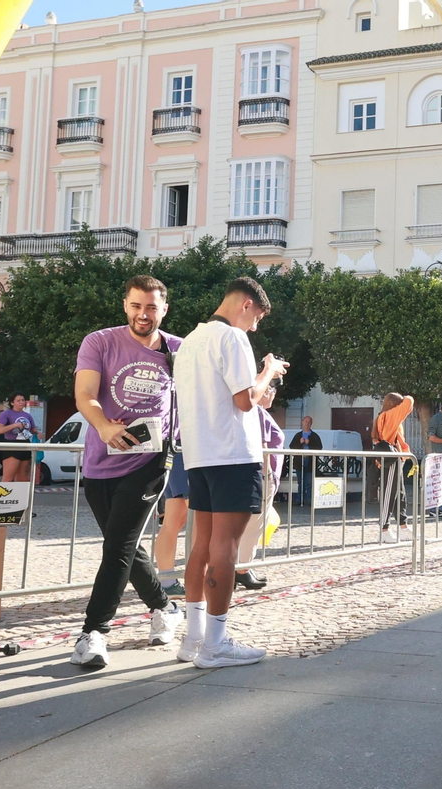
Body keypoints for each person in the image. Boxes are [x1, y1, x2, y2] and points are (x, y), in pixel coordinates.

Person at [68, 275, 184, 669]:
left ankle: (94, 632)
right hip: (102, 462)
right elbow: (85, 395)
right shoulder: (99, 342)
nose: (143, 314)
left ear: (163, 309)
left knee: (116, 546)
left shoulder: (178, 350)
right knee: (126, 544)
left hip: (150, 463)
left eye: (151, 307)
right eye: (136, 306)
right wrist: (104, 427)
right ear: (125, 306)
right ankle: (164, 608)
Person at [173, 277, 287, 668]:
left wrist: (259, 383)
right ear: (246, 305)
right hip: (232, 454)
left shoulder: (190, 340)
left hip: (200, 454)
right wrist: (268, 371)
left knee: (201, 544)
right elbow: (245, 401)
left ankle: (193, 637)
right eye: (257, 317)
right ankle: (216, 644)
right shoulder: (233, 338)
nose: (256, 327)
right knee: (226, 547)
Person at [234, 380, 285, 591]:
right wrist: (266, 475)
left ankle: (242, 566)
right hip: (262, 475)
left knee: (250, 524)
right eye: (271, 390)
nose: (273, 395)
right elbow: (263, 444)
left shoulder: (257, 412)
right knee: (254, 525)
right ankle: (241, 569)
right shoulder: (258, 412)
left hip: (258, 474)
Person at [373, 392, 415, 537]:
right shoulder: (389, 415)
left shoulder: (385, 415)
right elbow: (409, 402)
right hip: (391, 459)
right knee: (389, 493)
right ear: (394, 405)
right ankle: (384, 530)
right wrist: (405, 398)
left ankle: (403, 527)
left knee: (399, 495)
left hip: (396, 458)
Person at [155, 450, 190, 597]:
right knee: (199, 520)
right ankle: (200, 581)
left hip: (177, 449)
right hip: (187, 450)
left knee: (173, 521)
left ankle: (168, 582)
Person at [0, 395, 41, 482]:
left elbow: (33, 430)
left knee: (22, 478)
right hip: (12, 445)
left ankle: (21, 495)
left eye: (23, 400)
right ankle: (5, 494)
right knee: (8, 478)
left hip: (25, 445)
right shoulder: (6, 414)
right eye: (18, 400)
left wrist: (38, 434)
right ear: (12, 403)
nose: (21, 402)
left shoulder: (27, 415)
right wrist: (15, 425)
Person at [289, 415, 323, 505]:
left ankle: (309, 500)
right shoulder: (298, 435)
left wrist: (310, 442)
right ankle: (299, 499)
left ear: (311, 424)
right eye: (305, 422)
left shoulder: (314, 436)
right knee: (300, 482)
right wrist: (299, 443)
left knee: (308, 482)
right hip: (299, 461)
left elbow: (319, 447)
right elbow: (292, 446)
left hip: (310, 460)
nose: (307, 424)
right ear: (302, 422)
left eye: (308, 422)